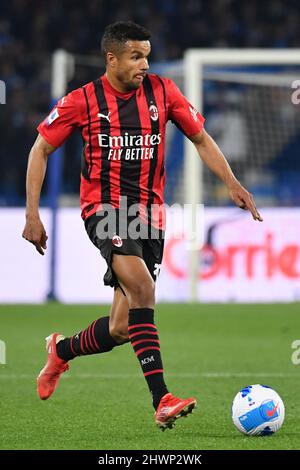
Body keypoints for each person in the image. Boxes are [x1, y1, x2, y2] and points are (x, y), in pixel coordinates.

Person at [22, 21, 263, 431]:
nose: (144, 64)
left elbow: (201, 139)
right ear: (111, 58)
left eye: (147, 55)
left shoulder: (164, 92)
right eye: (136, 56)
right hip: (104, 210)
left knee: (120, 328)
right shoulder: (82, 101)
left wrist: (232, 182)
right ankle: (162, 398)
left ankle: (60, 351)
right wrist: (32, 214)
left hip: (150, 217)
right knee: (143, 289)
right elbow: (40, 149)